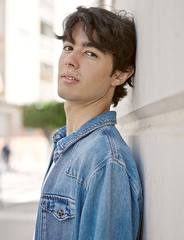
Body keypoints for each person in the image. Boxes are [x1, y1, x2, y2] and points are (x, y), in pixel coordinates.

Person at [34, 6, 143, 240]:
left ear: (120, 74)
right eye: (68, 47)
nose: (70, 60)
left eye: (90, 53)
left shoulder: (104, 161)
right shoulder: (68, 145)